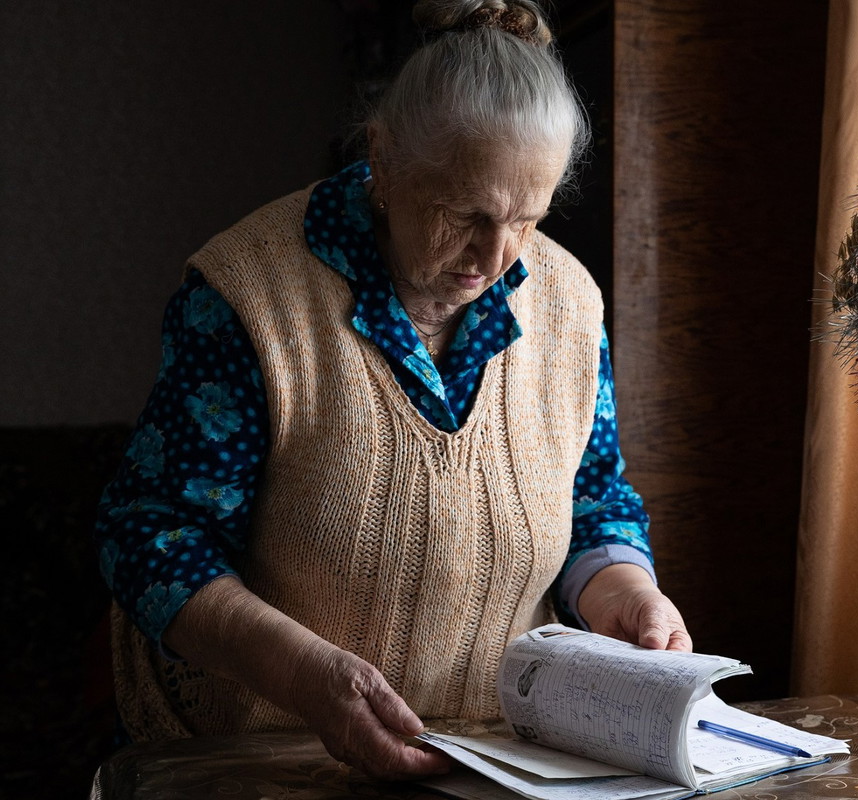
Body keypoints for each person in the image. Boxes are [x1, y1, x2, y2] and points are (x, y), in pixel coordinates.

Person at [94, 0, 690, 780]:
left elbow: (595, 499)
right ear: (385, 160)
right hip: (264, 753)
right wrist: (306, 677)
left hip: (496, 761)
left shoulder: (568, 302)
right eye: (466, 214)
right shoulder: (250, 298)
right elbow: (154, 538)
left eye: (529, 217)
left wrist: (627, 591)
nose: (499, 256)